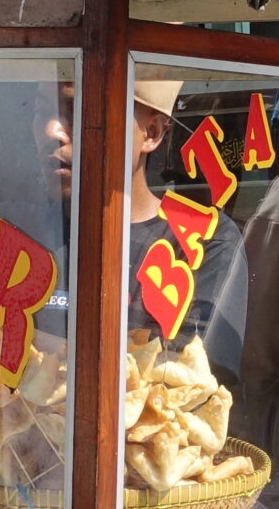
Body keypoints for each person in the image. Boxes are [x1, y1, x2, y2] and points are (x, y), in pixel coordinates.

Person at [48, 78, 250, 386]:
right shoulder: (12, 229)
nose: (52, 131)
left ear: (151, 133)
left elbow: (184, 376)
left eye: (75, 111)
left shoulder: (205, 238)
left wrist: (15, 335)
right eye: (41, 109)